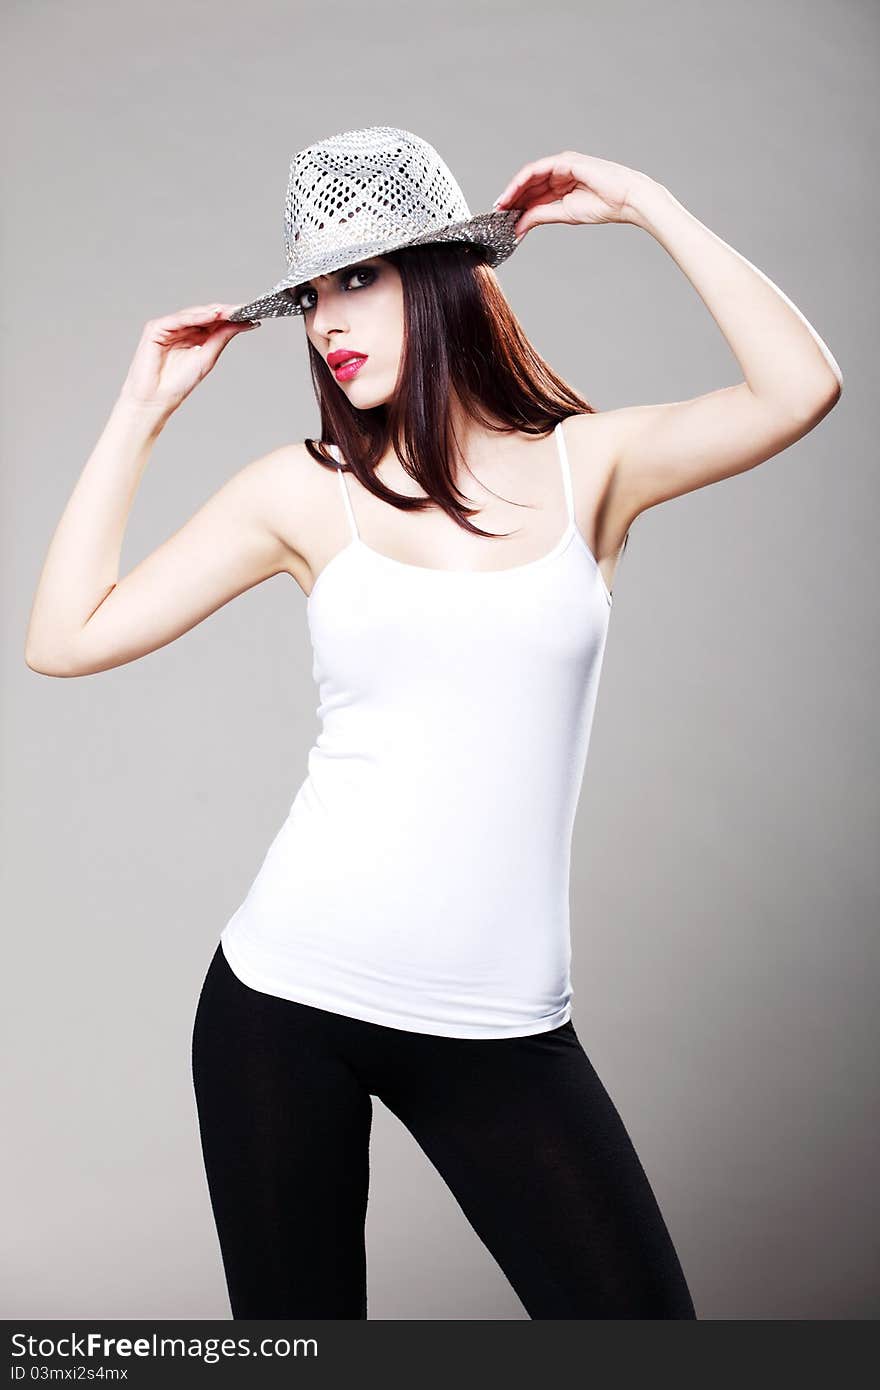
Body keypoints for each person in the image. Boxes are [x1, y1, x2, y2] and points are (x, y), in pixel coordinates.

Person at [24, 127, 841, 1320]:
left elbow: (800, 387)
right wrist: (139, 410)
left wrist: (650, 204)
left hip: (500, 1029)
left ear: (446, 278)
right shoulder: (302, 492)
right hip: (280, 1006)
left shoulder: (588, 468)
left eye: (358, 277)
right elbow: (64, 639)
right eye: (310, 293)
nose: (325, 320)